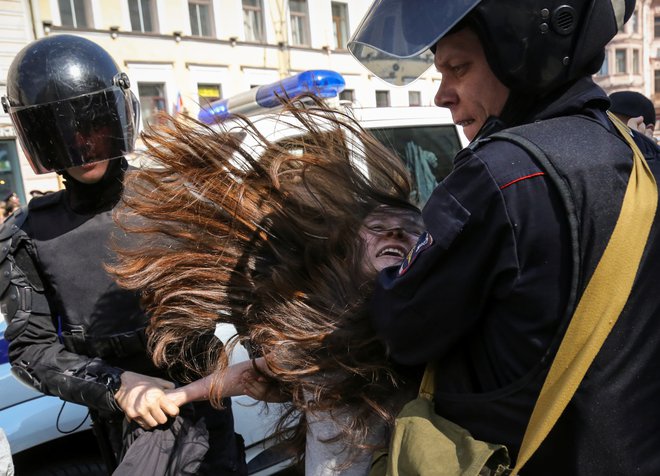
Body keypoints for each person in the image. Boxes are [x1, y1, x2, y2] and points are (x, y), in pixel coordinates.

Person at [348, 0, 660, 474]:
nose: (442, 95)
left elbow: (404, 328)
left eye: (458, 68)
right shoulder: (643, 156)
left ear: (522, 54)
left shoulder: (498, 175)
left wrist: (386, 265)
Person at [110, 97, 424, 475]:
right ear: (349, 247)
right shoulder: (324, 326)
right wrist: (177, 395)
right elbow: (250, 373)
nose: (393, 231)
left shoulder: (432, 326)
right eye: (378, 227)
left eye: (410, 231)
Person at [0, 35, 245, 475]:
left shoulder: (177, 200)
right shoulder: (26, 234)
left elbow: (247, 289)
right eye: (59, 131)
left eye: (90, 125)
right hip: (121, 421)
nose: (80, 146)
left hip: (204, 409)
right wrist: (117, 385)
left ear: (115, 116)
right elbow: (31, 351)